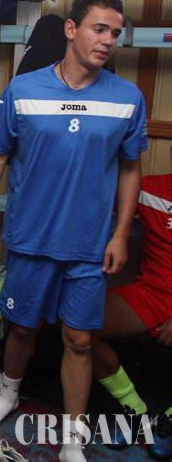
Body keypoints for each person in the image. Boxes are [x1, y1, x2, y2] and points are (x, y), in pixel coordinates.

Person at [0, 0, 147, 461]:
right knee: (22, 328)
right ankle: (9, 392)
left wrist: (120, 233)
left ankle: (71, 438)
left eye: (115, 33)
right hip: (30, 238)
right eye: (99, 29)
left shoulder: (127, 98)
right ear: (71, 29)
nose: (107, 40)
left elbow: (131, 168)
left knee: (79, 340)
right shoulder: (23, 90)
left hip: (89, 245)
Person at [91, 157, 172, 458]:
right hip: (151, 293)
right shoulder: (149, 189)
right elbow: (95, 199)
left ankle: (168, 423)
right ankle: (134, 408)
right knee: (79, 325)